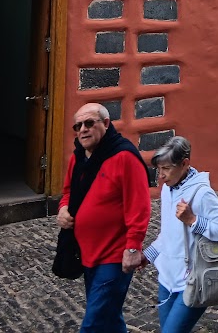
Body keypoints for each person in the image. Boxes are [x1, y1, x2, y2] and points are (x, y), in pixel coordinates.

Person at [57, 103, 151, 333]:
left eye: (89, 123)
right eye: (78, 126)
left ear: (106, 124)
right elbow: (68, 191)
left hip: (114, 255)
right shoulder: (78, 157)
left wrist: (133, 248)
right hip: (87, 252)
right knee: (108, 317)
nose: (82, 130)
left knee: (94, 323)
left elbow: (139, 206)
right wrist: (63, 209)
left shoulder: (124, 157)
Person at [141, 136, 218, 333]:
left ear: (184, 164)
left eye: (166, 169)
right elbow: (168, 234)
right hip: (166, 280)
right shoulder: (167, 189)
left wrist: (193, 220)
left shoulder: (202, 193)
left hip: (193, 281)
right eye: (159, 169)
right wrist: (147, 256)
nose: (161, 176)